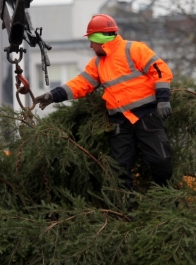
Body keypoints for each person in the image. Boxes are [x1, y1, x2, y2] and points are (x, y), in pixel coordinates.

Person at [34, 14, 174, 189]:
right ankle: (125, 211)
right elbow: (80, 84)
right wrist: (54, 95)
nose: (90, 45)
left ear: (100, 39)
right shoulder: (97, 64)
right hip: (120, 123)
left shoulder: (134, 49)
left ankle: (167, 201)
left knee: (161, 164)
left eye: (91, 40)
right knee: (119, 172)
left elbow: (160, 71)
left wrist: (163, 100)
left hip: (146, 116)